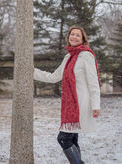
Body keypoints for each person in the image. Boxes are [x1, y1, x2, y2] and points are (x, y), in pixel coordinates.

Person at [34, 25, 101, 164]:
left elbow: (93, 82)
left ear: (83, 39)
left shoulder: (86, 55)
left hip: (81, 103)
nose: (74, 37)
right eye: (72, 34)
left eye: (78, 35)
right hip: (70, 105)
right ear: (68, 37)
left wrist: (96, 105)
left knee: (63, 138)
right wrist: (32, 71)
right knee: (72, 138)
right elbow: (54, 77)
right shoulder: (68, 56)